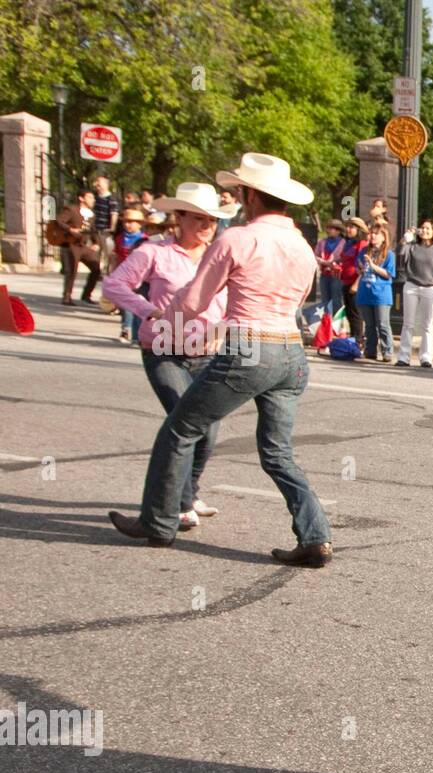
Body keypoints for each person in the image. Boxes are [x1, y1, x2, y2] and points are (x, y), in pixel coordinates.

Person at [108, 153, 333, 566]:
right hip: (291, 352)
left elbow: (194, 301)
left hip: (250, 346)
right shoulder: (301, 245)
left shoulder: (237, 239)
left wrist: (164, 328)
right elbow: (300, 300)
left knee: (180, 430)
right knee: (278, 453)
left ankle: (158, 523)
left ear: (249, 194)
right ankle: (315, 536)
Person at [102, 184, 235, 530]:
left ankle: (189, 492)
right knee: (184, 418)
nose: (206, 226)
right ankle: (178, 504)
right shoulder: (154, 252)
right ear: (178, 218)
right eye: (198, 218)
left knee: (210, 429)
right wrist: (147, 311)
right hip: (164, 350)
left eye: (211, 219)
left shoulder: (218, 254)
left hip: (208, 351)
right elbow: (114, 285)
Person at [396, 219, 433, 367]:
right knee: (408, 323)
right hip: (411, 285)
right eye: (422, 228)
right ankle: (404, 356)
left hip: (430, 287)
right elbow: (400, 255)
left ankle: (426, 357)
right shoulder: (413, 247)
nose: (424, 231)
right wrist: (406, 238)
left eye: (428, 228)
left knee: (427, 323)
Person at [356, 223, 396, 362]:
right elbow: (359, 270)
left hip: (381, 294)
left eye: (376, 233)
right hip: (365, 292)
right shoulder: (364, 251)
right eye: (371, 233)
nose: (372, 236)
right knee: (370, 325)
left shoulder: (389, 254)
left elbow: (388, 274)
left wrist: (372, 266)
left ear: (384, 237)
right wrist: (361, 268)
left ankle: (387, 351)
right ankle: (370, 351)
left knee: (383, 324)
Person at [57, 190, 101, 306]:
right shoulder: (72, 210)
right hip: (71, 245)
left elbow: (93, 230)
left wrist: (96, 242)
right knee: (72, 270)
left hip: (83, 246)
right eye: (90, 197)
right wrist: (70, 229)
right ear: (82, 198)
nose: (93, 200)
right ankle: (67, 297)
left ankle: (86, 295)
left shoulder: (91, 214)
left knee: (96, 268)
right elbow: (59, 221)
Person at [111, 208, 147, 341]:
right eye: (126, 222)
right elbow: (115, 256)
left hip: (139, 275)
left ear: (140, 224)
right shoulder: (120, 238)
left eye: (132, 222)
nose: (128, 224)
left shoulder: (144, 239)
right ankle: (126, 329)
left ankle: (135, 333)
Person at [338, 217, 368, 341]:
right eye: (348, 227)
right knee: (349, 313)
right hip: (345, 281)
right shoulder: (348, 243)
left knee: (356, 314)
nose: (348, 230)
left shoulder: (362, 244)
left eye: (352, 227)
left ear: (359, 230)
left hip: (355, 283)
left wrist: (356, 284)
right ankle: (353, 338)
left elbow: (362, 266)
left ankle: (358, 340)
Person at [314, 219, 346, 316]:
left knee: (336, 300)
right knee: (325, 300)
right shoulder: (322, 242)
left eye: (332, 228)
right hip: (324, 274)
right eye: (328, 228)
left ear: (338, 231)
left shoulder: (343, 243)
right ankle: (326, 325)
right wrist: (323, 262)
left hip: (337, 275)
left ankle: (337, 326)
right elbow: (315, 254)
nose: (329, 230)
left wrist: (333, 263)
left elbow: (345, 258)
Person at [92, 175, 120, 275]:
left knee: (108, 252)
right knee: (95, 253)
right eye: (96, 182)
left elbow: (114, 214)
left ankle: (109, 272)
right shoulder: (94, 198)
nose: (96, 184)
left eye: (99, 182)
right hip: (95, 230)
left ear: (106, 184)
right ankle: (97, 272)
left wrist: (112, 227)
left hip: (105, 231)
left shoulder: (111, 199)